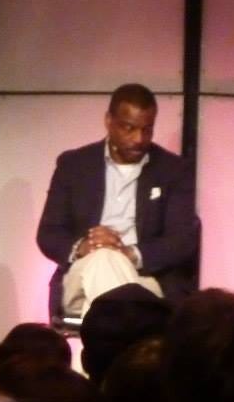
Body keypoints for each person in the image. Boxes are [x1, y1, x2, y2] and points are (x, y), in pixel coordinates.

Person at [37, 83, 200, 319]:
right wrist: (83, 247)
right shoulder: (74, 165)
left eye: (147, 129)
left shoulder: (173, 170)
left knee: (106, 281)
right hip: (81, 276)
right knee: (103, 259)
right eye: (129, 128)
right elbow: (48, 234)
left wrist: (129, 253)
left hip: (146, 279)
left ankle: (110, 332)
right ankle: (127, 333)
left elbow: (181, 241)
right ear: (109, 121)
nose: (139, 139)